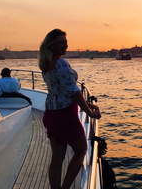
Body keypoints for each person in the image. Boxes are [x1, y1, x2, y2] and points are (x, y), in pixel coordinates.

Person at [38, 29, 101, 189]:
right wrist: (89, 112)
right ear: (51, 45)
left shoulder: (46, 63)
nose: (65, 45)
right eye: (61, 42)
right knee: (81, 150)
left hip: (51, 114)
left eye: (66, 42)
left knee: (57, 158)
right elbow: (73, 91)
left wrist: (87, 103)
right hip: (65, 116)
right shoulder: (61, 63)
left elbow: (62, 89)